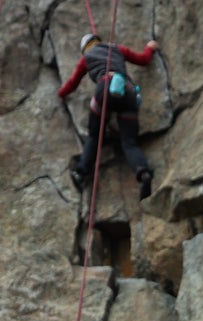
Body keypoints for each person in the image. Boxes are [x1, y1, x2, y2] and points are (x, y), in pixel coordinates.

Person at [56, 32, 158, 198]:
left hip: (105, 89)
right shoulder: (117, 49)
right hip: (128, 92)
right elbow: (143, 60)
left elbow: (72, 83)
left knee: (95, 136)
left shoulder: (86, 58)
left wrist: (60, 94)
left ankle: (81, 173)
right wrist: (150, 48)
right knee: (130, 143)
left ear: (84, 49)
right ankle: (143, 173)